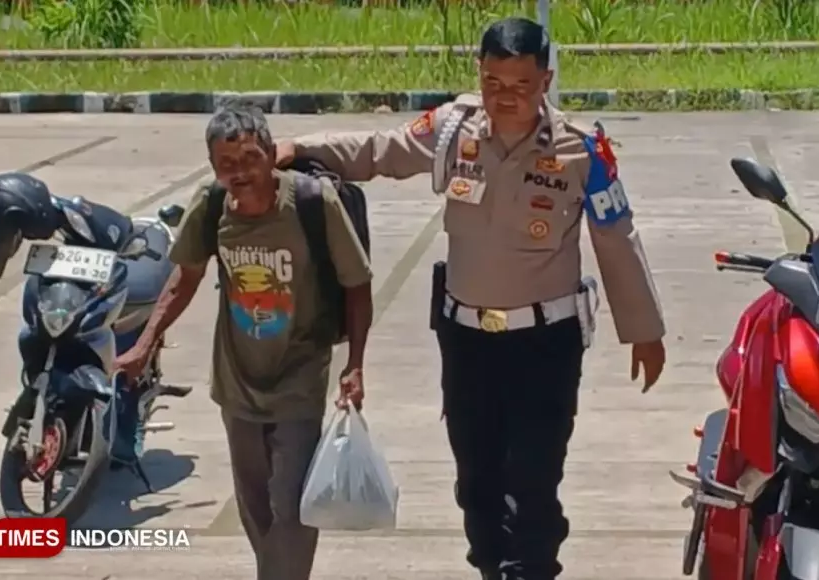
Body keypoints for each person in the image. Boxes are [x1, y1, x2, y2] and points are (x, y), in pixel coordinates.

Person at [273, 16, 667, 580]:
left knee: (533, 479)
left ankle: (528, 570)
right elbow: (380, 150)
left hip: (546, 344)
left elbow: (616, 235)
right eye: (493, 83)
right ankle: (492, 568)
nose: (506, 98)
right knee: (476, 479)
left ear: (546, 80)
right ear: (479, 76)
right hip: (467, 341)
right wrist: (299, 146)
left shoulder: (583, 151)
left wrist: (643, 329)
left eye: (522, 87)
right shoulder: (454, 129)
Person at [114, 105, 374, 580]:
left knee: (293, 508)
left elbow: (357, 284)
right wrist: (146, 343)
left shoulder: (313, 203)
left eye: (251, 158)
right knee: (255, 508)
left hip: (299, 377)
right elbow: (185, 277)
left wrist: (354, 363)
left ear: (273, 156)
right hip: (236, 383)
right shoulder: (211, 205)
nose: (240, 173)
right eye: (226, 163)